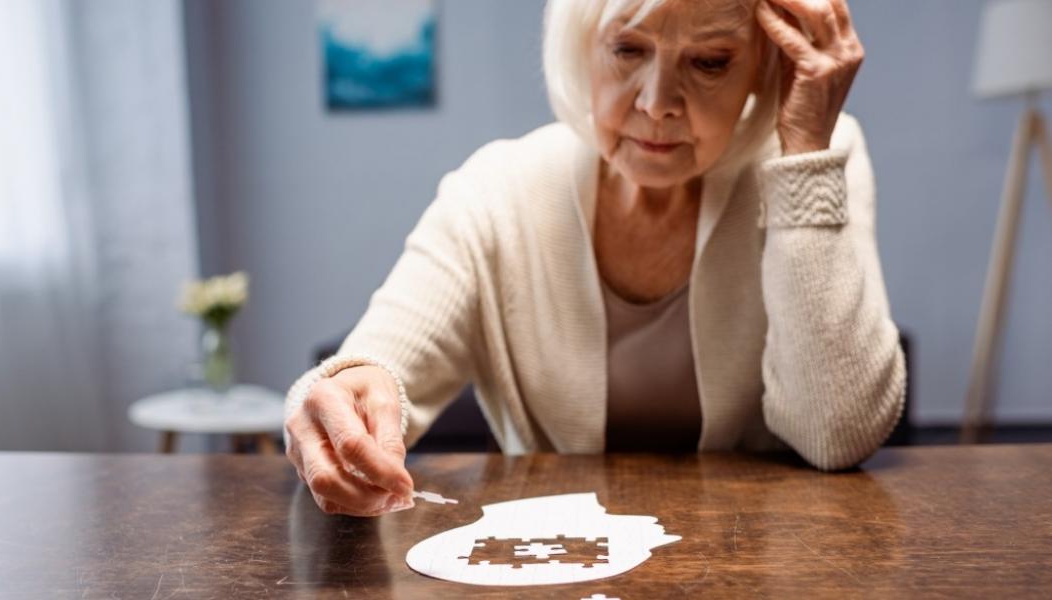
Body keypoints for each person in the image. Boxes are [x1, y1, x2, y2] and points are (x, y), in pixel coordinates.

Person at [284, 0, 905, 517]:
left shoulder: (816, 153)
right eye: (628, 50)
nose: (658, 102)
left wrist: (803, 160)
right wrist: (336, 400)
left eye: (711, 62)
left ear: (765, 67)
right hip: (549, 564)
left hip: (760, 561)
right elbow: (372, 367)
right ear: (582, 47)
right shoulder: (498, 188)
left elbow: (837, 436)